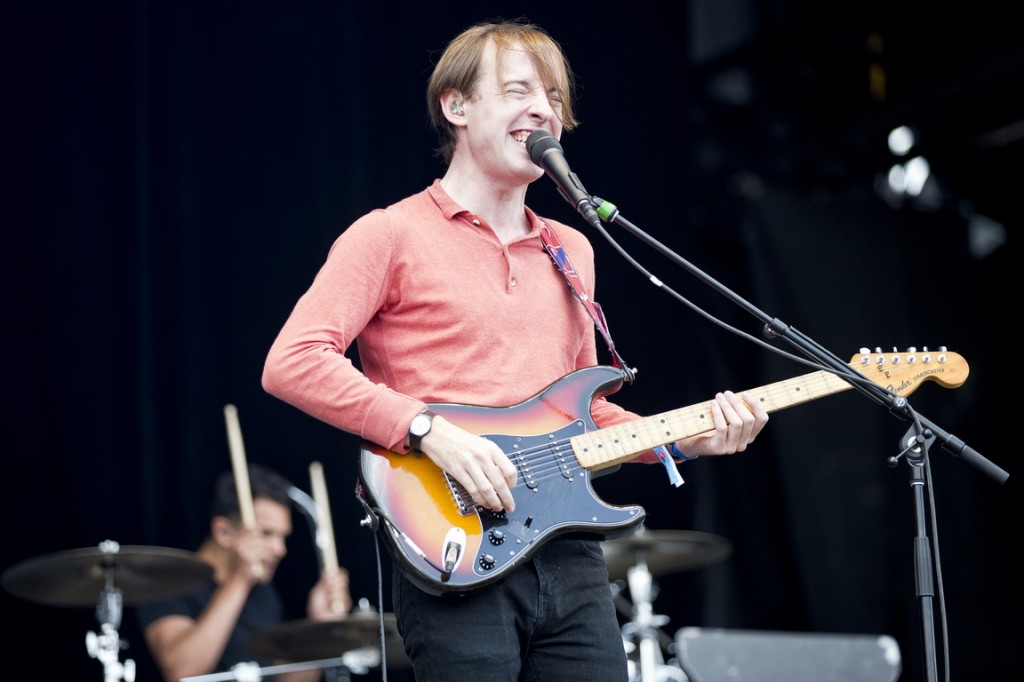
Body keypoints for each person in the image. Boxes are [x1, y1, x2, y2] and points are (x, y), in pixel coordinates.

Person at [261, 18, 768, 682]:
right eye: (518, 90)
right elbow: (293, 360)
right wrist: (426, 430)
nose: (543, 109)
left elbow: (583, 416)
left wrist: (686, 437)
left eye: (554, 97)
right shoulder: (388, 234)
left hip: (571, 553)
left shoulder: (572, 248)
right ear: (457, 105)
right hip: (453, 545)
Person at [135, 464, 352, 682]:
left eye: (282, 537)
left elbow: (283, 679)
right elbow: (182, 671)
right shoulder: (166, 584)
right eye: (266, 533)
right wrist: (240, 580)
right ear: (224, 531)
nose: (280, 549)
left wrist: (320, 627)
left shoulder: (263, 592)